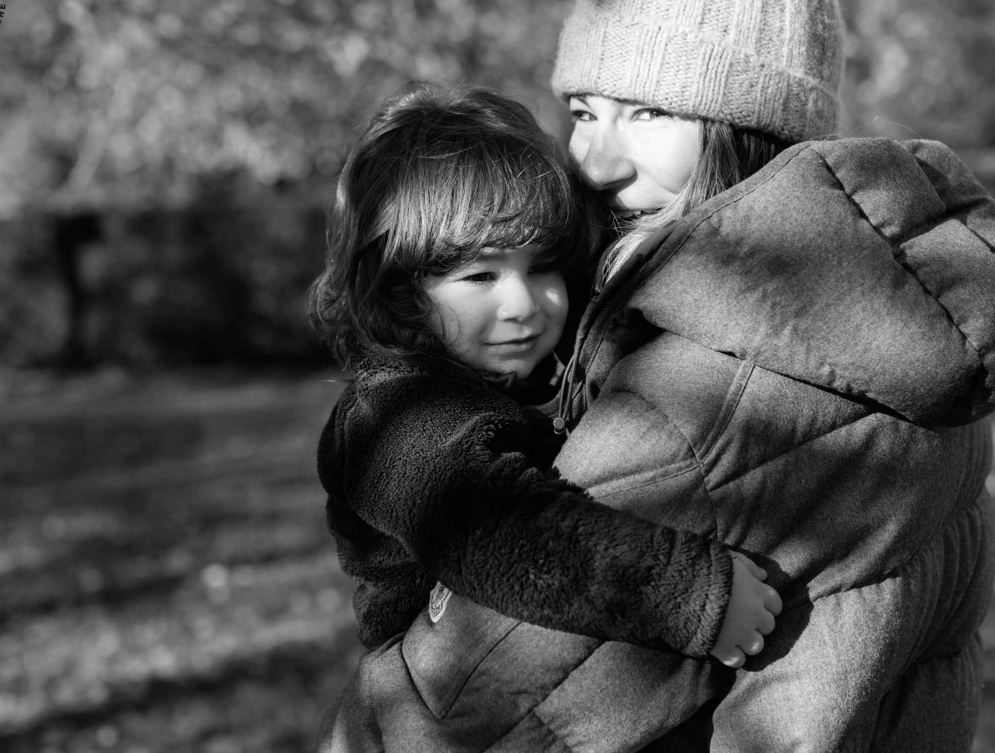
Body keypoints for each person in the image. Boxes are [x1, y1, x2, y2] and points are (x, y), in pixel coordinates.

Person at [321, 0, 995, 752]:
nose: (592, 162)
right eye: (585, 113)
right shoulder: (887, 324)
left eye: (650, 112)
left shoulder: (710, 387)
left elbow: (482, 706)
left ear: (748, 126)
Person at [308, 82, 785, 751]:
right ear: (398, 288)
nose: (523, 305)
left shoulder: (523, 382)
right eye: (479, 277)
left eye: (542, 269)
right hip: (457, 718)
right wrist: (688, 592)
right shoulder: (391, 418)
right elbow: (498, 529)